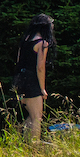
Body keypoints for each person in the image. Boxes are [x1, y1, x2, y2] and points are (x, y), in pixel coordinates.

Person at [14, 13, 55, 142]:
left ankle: (23, 141)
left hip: (20, 80)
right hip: (32, 81)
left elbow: (18, 61)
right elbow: (40, 67)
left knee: (31, 116)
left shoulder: (25, 40)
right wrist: (42, 89)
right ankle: (34, 147)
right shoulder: (42, 43)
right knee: (37, 117)